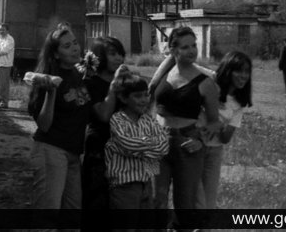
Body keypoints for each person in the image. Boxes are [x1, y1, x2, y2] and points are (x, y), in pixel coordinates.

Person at [149, 26, 220, 231]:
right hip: (160, 142)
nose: (191, 51)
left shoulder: (205, 83)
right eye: (185, 47)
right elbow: (150, 101)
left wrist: (200, 140)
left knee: (185, 205)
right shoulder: (163, 73)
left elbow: (215, 121)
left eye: (194, 45)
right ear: (173, 50)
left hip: (188, 143)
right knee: (156, 201)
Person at [26, 24, 90, 214]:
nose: (75, 48)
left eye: (75, 43)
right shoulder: (45, 79)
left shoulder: (78, 75)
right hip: (51, 151)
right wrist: (51, 93)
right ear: (55, 54)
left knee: (72, 213)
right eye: (67, 46)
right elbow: (44, 125)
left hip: (73, 153)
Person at [105, 71, 169, 220]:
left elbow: (163, 147)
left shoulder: (149, 121)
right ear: (123, 98)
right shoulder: (118, 120)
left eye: (146, 95)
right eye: (137, 96)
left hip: (146, 182)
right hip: (124, 185)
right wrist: (151, 144)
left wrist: (140, 144)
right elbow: (127, 143)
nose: (144, 100)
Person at [198, 50, 253, 209]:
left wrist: (218, 123)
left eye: (247, 72)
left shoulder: (239, 103)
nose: (243, 76)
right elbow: (181, 62)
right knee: (190, 198)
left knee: (208, 201)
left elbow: (225, 138)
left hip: (214, 152)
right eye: (239, 70)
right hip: (193, 146)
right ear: (228, 70)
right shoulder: (211, 80)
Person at [80, 36, 128, 211]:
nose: (118, 58)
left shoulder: (125, 83)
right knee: (96, 201)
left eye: (120, 54)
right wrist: (114, 86)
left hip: (122, 150)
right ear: (99, 56)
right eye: (112, 54)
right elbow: (103, 114)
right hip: (98, 148)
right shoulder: (89, 83)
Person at [0, 23, 15, 108]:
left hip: (5, 64)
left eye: (3, 30)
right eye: (0, 30)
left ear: (7, 30)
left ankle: (4, 102)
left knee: (3, 84)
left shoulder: (10, 39)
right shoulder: (1, 39)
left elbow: (4, 51)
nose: (1, 31)